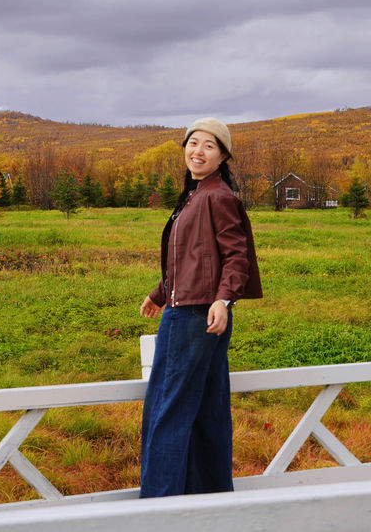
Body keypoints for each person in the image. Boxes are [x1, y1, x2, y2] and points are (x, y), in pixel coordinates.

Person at [139, 117, 262, 498]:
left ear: (223, 155)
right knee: (208, 410)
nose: (198, 151)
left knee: (166, 411)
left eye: (209, 145)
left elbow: (235, 255)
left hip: (194, 315)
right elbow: (192, 258)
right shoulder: (195, 195)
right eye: (193, 143)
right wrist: (160, 293)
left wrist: (223, 300)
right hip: (193, 309)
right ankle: (209, 500)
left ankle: (157, 508)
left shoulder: (217, 196)